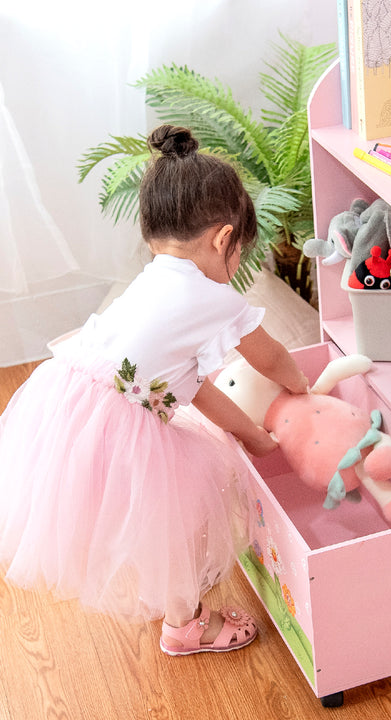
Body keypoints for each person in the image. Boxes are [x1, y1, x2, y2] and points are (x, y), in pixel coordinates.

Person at [0, 124, 309, 656]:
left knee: (159, 526)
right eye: (239, 255)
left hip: (73, 406)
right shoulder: (213, 298)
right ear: (222, 239)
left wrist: (252, 435)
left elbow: (183, 388)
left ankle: (180, 613)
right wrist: (303, 385)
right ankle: (186, 626)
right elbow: (273, 356)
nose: (235, 269)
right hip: (119, 423)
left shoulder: (155, 279)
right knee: (181, 525)